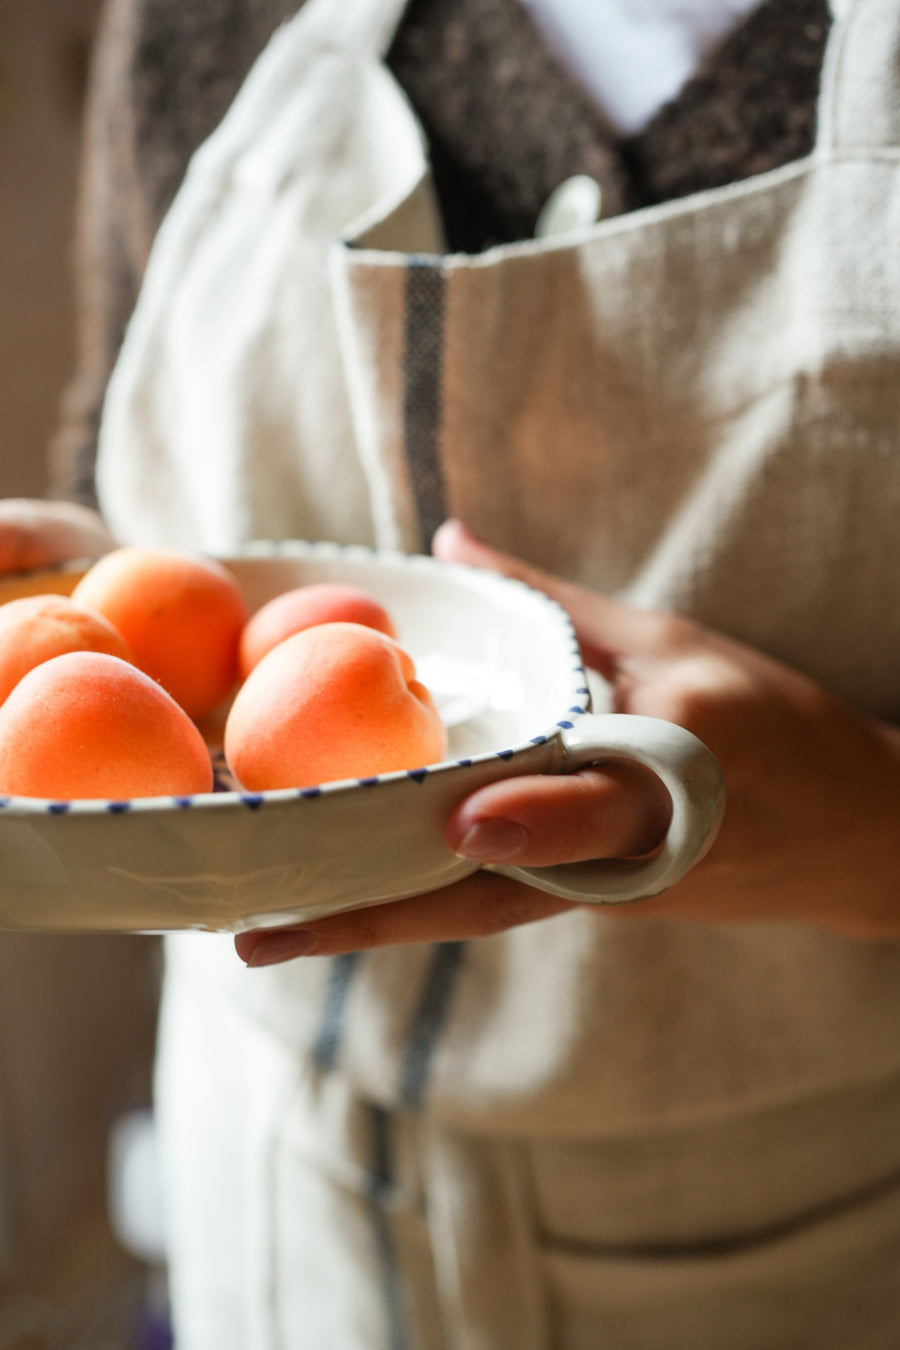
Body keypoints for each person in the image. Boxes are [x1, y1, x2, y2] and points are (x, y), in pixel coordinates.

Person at [3, 0, 900, 1344]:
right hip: (273, 1204)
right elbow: (141, 473)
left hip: (780, 1242)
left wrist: (869, 826)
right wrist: (77, 586)